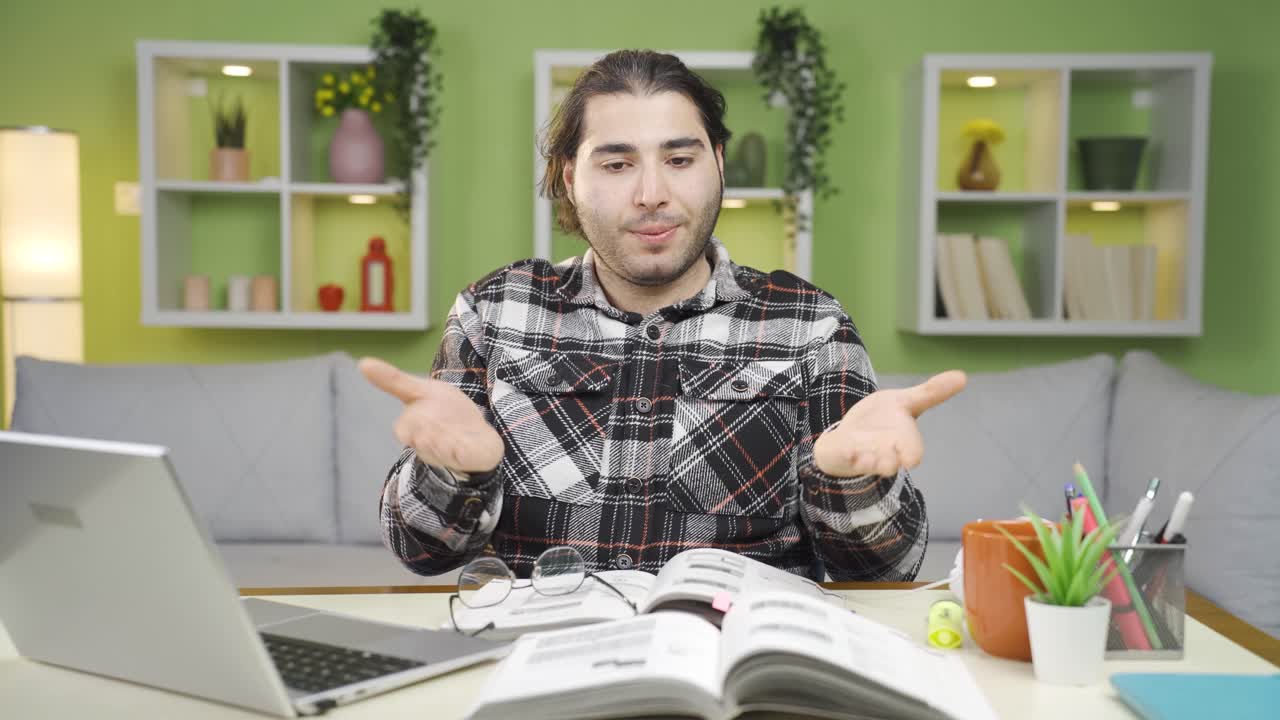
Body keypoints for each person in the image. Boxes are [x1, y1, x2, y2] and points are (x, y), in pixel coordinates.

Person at [360, 49, 966, 582]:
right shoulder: (494, 312)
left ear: (719, 164)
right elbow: (420, 553)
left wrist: (852, 486)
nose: (651, 193)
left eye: (679, 159)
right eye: (617, 163)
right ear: (570, 177)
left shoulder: (812, 327)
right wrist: (451, 475)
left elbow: (889, 570)